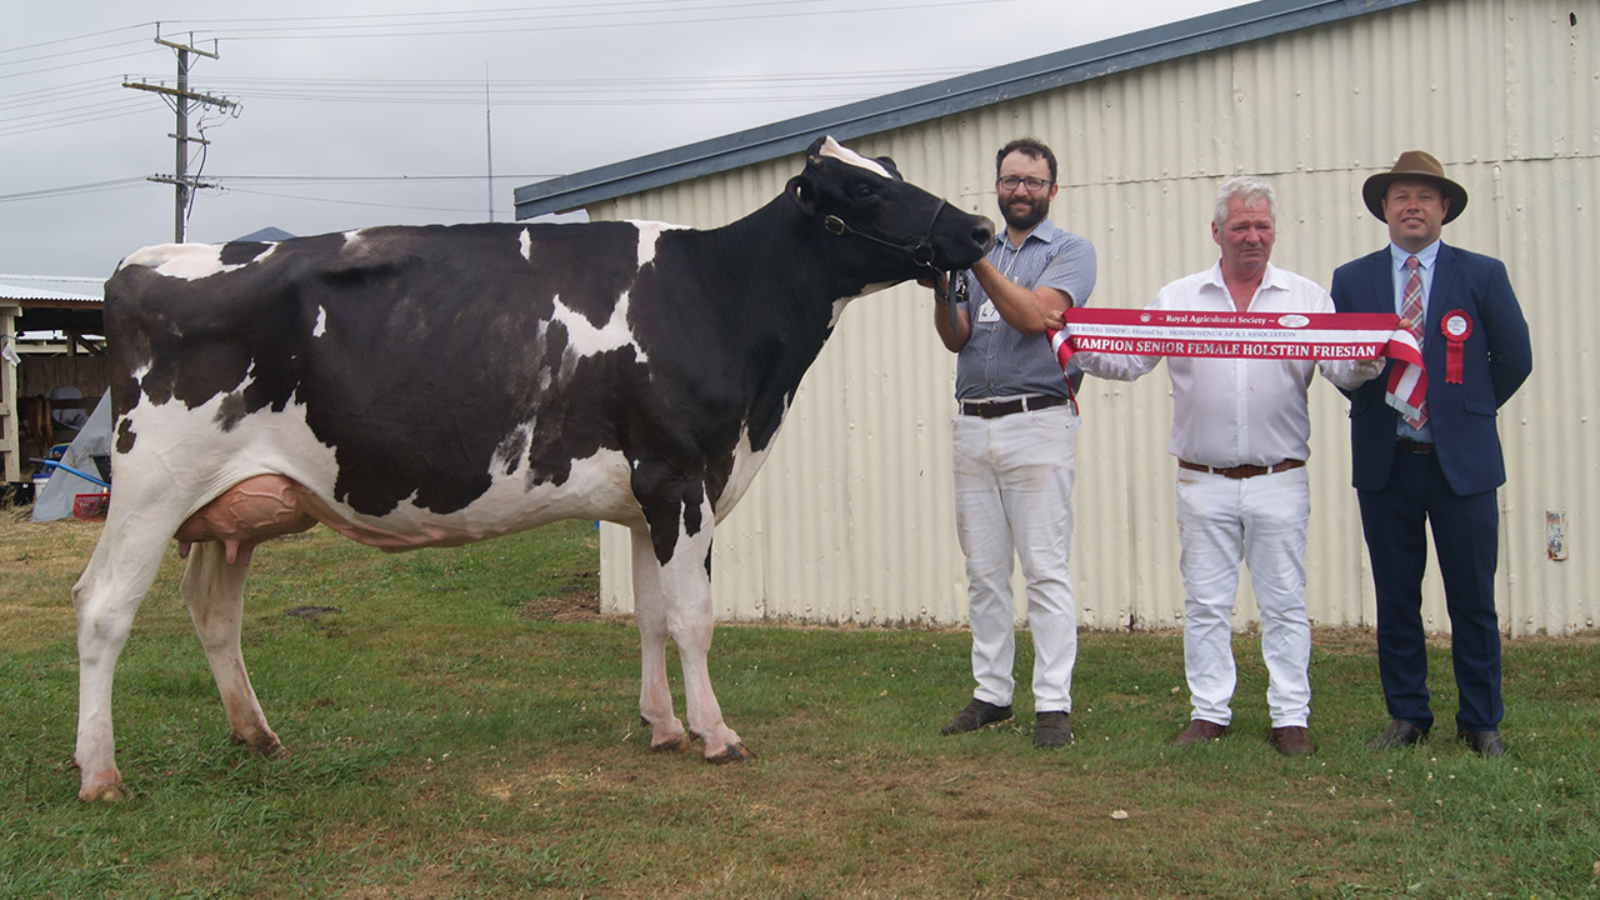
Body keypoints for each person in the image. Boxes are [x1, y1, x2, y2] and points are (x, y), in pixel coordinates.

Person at [1073, 176, 1382, 756]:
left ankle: (1290, 717)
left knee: (1284, 604)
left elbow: (1341, 369)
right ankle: (1209, 712)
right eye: (1240, 226)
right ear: (1216, 232)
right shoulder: (1179, 298)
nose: (1252, 236)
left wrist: (1370, 354)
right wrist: (1071, 338)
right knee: (1206, 605)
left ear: (1275, 232)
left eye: (1262, 225)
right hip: (1203, 480)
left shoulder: (1307, 298)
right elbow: (1131, 359)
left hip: (1279, 478)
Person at [1330, 151, 1532, 757]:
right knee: (1396, 598)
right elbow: (1339, 365)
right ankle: (1407, 716)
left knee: (1473, 599)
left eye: (1424, 196)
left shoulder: (1483, 274)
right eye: (1401, 197)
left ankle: (1481, 721)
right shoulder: (1352, 280)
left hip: (1462, 466)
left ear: (1444, 208)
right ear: (1384, 209)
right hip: (1386, 461)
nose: (1412, 206)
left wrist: (1461, 412)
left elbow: (1514, 358)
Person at [930, 138, 1096, 749]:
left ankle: (1052, 704)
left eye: (1032, 181)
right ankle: (992, 694)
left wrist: (972, 261)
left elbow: (1032, 316)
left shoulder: (1071, 252)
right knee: (984, 571)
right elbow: (956, 336)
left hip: (1038, 419)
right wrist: (941, 282)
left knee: (1045, 571)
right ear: (997, 186)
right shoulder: (978, 256)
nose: (1020, 190)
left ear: (1052, 189)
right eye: (1010, 180)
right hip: (973, 421)